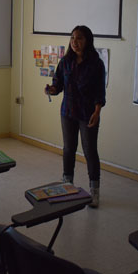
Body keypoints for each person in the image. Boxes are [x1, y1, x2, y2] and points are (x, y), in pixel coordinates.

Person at [45, 25, 106, 207]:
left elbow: (99, 91)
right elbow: (58, 84)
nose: (75, 42)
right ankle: (67, 185)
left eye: (79, 38)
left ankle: (94, 191)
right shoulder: (66, 61)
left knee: (90, 151)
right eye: (72, 38)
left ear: (87, 40)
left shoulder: (96, 63)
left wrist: (97, 112)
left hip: (88, 113)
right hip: (68, 112)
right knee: (68, 149)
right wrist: (51, 89)